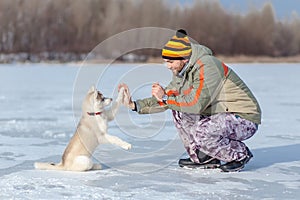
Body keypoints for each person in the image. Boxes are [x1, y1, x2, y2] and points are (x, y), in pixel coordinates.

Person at [119, 29, 261, 172]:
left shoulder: (208, 66)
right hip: (219, 113)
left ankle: (240, 155)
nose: (168, 66)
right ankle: (205, 157)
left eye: (170, 62)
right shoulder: (181, 71)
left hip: (243, 118)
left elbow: (197, 104)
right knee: (178, 111)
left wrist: (166, 98)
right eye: (165, 62)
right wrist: (134, 105)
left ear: (184, 59)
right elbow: (171, 98)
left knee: (202, 131)